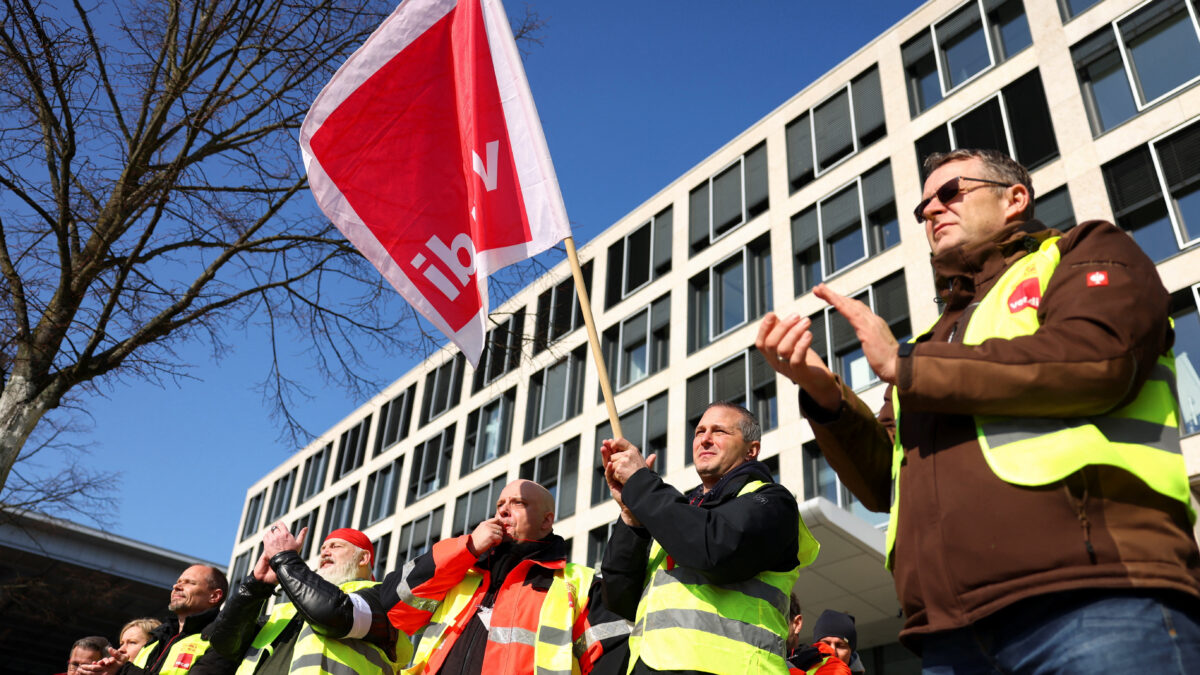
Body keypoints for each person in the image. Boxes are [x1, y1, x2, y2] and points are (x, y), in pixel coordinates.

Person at [756, 147, 1200, 671]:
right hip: (951, 637)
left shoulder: (1084, 251)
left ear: (1015, 198)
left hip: (1097, 595)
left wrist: (905, 366)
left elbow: (1098, 357)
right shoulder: (932, 340)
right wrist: (825, 395)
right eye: (923, 208)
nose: (933, 212)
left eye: (951, 193)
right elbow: (882, 483)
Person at [600, 402, 819, 674]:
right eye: (699, 431)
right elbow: (620, 598)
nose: (704, 439)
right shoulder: (676, 514)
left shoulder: (773, 502)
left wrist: (642, 485)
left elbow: (712, 550)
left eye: (719, 432)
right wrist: (632, 519)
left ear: (752, 450)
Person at [380, 478, 630, 674]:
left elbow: (612, 658)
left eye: (518, 503)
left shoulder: (577, 583)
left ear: (546, 521)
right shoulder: (460, 571)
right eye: (500, 506)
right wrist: (467, 547)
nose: (504, 512)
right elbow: (394, 606)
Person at [193, 524, 404, 675]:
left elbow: (333, 614)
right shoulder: (285, 612)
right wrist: (256, 586)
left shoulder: (382, 597)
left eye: (336, 547)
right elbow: (225, 644)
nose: (325, 553)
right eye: (322, 549)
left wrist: (285, 558)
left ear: (364, 558)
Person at [79, 564, 227, 675]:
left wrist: (122, 670)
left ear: (214, 596)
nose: (177, 586)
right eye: (178, 582)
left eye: (189, 583)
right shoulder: (156, 639)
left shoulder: (220, 641)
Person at [785, 601, 849, 675]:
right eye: (826, 642)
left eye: (840, 645)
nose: (833, 649)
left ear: (796, 624)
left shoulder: (832, 665)